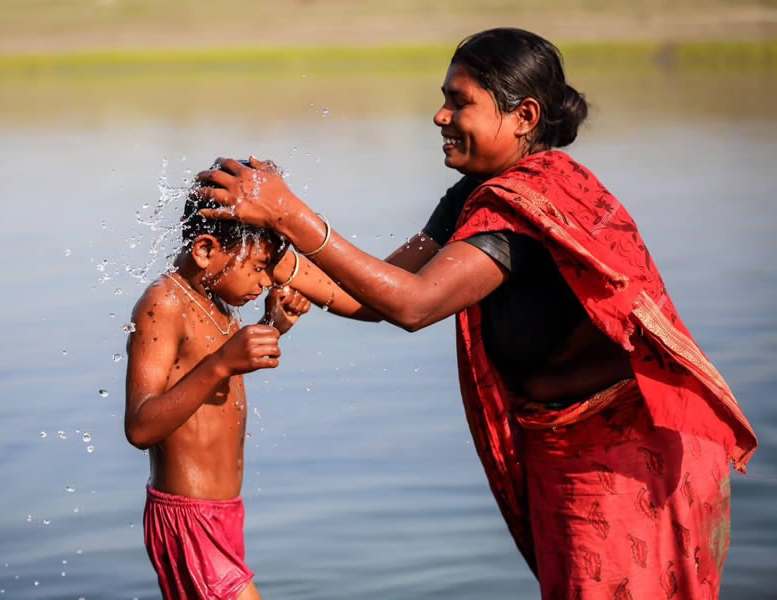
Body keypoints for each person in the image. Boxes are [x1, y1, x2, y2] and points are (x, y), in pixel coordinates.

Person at [194, 28, 757, 599]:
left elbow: (415, 306)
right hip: (561, 443)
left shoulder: (526, 205)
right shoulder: (475, 193)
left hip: (622, 454)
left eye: (460, 101)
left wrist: (290, 214)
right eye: (444, 98)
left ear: (524, 116)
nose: (440, 116)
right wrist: (282, 261)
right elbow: (380, 294)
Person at [124, 192, 311, 600]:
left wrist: (271, 327)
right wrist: (224, 362)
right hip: (189, 520)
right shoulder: (163, 303)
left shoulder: (214, 301)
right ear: (206, 250)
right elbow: (140, 427)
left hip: (222, 514)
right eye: (260, 268)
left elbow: (207, 384)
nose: (268, 282)